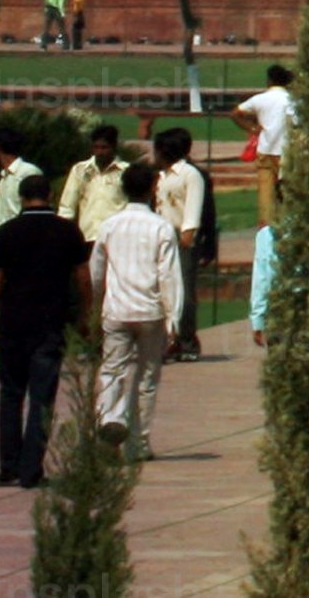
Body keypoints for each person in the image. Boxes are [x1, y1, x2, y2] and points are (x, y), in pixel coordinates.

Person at [0, 168, 90, 486]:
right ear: (50, 196)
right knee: (42, 397)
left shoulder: (7, 232)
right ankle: (31, 468)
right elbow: (83, 278)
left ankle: (8, 465)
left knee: (11, 394)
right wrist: (86, 315)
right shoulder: (67, 231)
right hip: (50, 322)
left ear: (21, 197)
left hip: (14, 322)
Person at [92, 142, 185, 446]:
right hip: (150, 312)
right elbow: (169, 277)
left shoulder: (109, 226)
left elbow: (96, 272)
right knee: (146, 379)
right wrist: (174, 319)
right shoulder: (160, 227)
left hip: (116, 310)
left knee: (112, 371)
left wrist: (95, 306)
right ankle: (138, 441)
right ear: (152, 189)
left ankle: (109, 419)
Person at [152, 123, 213, 359]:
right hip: (160, 238)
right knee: (163, 291)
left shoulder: (189, 174)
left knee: (185, 292)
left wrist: (188, 233)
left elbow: (193, 205)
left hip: (181, 238)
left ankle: (188, 341)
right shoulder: (160, 176)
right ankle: (170, 339)